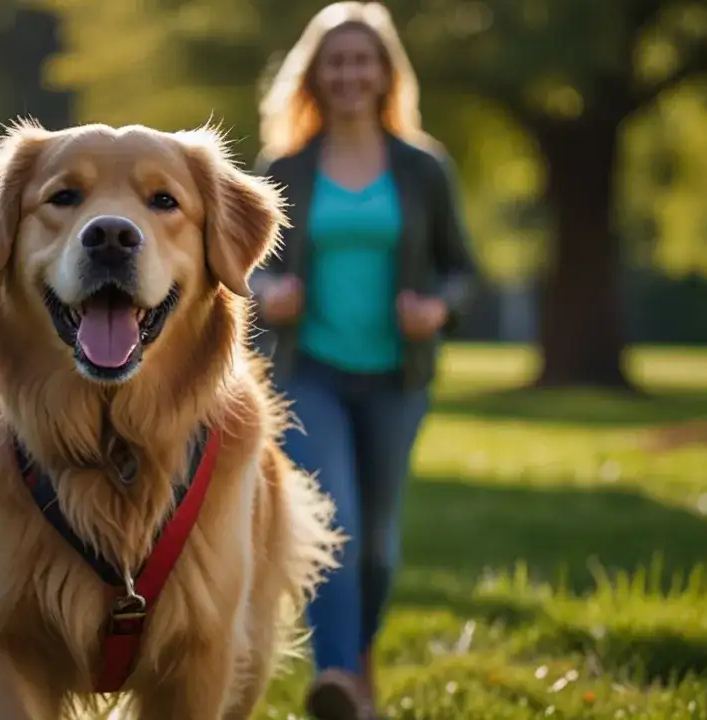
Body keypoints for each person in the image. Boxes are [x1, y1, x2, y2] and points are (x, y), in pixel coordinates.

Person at [249, 3, 480, 718]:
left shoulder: (423, 168)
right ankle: (339, 677)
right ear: (314, 75)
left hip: (395, 378)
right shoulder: (286, 168)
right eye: (336, 62)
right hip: (307, 370)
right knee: (336, 523)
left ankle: (358, 661)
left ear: (384, 74)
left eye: (362, 61)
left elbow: (462, 270)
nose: (349, 74)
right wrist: (267, 291)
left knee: (377, 546)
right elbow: (245, 263)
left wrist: (438, 308)